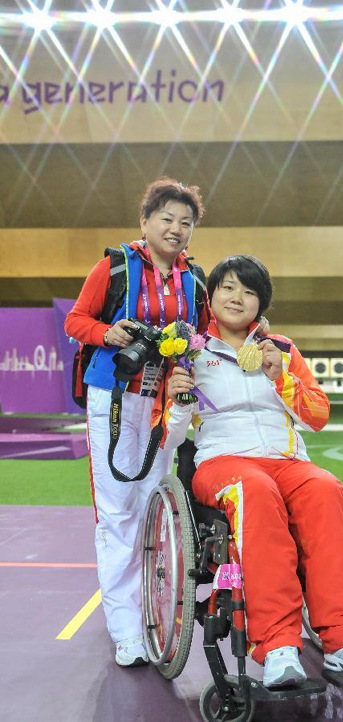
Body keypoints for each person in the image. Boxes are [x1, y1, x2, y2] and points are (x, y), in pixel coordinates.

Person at [162, 255, 343, 688]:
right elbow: (171, 438)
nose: (238, 297)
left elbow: (317, 416)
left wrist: (279, 377)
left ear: (260, 304)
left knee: (327, 490)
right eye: (228, 287)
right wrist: (178, 401)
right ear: (211, 296)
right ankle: (276, 644)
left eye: (249, 291)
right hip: (223, 462)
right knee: (255, 489)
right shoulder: (191, 353)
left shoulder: (283, 349)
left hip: (288, 463)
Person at [64, 177, 209, 667]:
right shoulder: (115, 267)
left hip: (166, 401)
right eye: (166, 218)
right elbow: (75, 321)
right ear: (144, 221)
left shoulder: (195, 280)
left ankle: (153, 615)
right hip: (114, 398)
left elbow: (207, 335)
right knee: (118, 510)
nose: (176, 228)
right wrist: (109, 331)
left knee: (154, 504)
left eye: (186, 222)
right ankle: (126, 630)